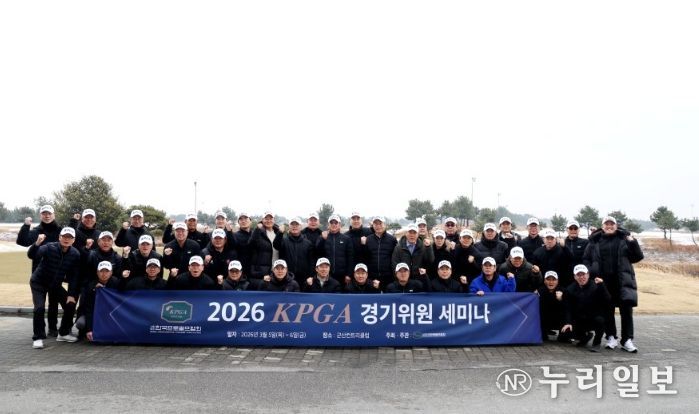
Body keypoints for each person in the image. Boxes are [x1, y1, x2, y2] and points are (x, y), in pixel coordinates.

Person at [583, 216, 643, 353]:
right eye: (606, 224)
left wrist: (632, 242)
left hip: (622, 281)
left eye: (612, 224)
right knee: (607, 311)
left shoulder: (624, 239)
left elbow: (638, 257)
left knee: (626, 311)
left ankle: (627, 340)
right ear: (602, 226)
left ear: (616, 226)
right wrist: (592, 270)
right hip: (604, 282)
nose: (609, 226)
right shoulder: (595, 241)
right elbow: (586, 258)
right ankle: (611, 337)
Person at [28, 227, 81, 348]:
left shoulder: (75, 254)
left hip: (55, 285)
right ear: (59, 237)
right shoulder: (49, 247)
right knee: (39, 308)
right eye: (64, 236)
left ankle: (63, 333)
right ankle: (38, 337)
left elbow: (74, 276)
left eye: (70, 237)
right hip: (38, 282)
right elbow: (32, 255)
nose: (66, 239)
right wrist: (37, 244)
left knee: (70, 304)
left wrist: (71, 294)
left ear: (73, 240)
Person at [17, 205, 62, 337]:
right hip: (39, 274)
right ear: (40, 215)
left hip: (55, 273)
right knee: (39, 306)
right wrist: (26, 226)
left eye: (49, 213)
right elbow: (22, 241)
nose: (47, 216)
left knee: (54, 303)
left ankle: (53, 328)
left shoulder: (60, 230)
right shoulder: (37, 230)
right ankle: (40, 331)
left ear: (54, 215)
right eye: (44, 214)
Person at [561, 265, 612, 352]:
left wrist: (602, 286)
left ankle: (596, 343)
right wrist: (568, 322)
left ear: (588, 275)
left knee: (600, 320)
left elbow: (608, 300)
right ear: (575, 277)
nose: (581, 277)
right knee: (566, 331)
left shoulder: (596, 285)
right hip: (579, 319)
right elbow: (567, 308)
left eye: (583, 274)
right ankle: (585, 338)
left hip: (594, 317)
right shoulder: (569, 289)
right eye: (578, 275)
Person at [78, 261, 122, 342]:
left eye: (107, 271)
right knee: (81, 323)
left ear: (111, 272)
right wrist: (89, 329)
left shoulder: (117, 283)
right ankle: (85, 333)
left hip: (111, 314)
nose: (104, 274)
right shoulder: (91, 286)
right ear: (97, 272)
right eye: (101, 271)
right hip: (95, 313)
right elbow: (88, 309)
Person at [273, 217, 315, 281]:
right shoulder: (283, 241)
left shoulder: (308, 243)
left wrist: (311, 276)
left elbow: (311, 262)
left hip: (303, 278)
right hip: (286, 277)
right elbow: (276, 245)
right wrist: (280, 232)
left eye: (297, 225)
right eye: (292, 224)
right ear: (289, 227)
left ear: (301, 227)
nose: (294, 226)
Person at [316, 214, 354, 285]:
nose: (333, 224)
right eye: (331, 223)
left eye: (336, 223)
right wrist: (323, 240)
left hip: (342, 275)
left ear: (339, 225)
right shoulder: (322, 237)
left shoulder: (346, 239)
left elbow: (350, 257)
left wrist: (348, 274)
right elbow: (317, 253)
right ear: (328, 225)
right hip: (326, 274)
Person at [363, 216, 397, 291]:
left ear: (385, 225)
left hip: (388, 276)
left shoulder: (392, 239)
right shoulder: (368, 239)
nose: (378, 226)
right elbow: (365, 257)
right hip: (372, 276)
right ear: (373, 226)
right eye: (376, 224)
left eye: (380, 224)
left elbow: (395, 257)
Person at [248, 211, 283, 280]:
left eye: (270, 219)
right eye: (266, 219)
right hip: (262, 271)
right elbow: (250, 245)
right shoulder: (258, 232)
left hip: (277, 270)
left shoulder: (278, 233)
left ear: (274, 220)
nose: (268, 221)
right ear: (262, 220)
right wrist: (257, 230)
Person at [233, 212, 254, 277]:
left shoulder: (255, 234)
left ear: (250, 221)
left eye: (246, 219)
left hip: (255, 270)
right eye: (241, 219)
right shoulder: (235, 236)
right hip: (241, 271)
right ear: (238, 222)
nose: (243, 221)